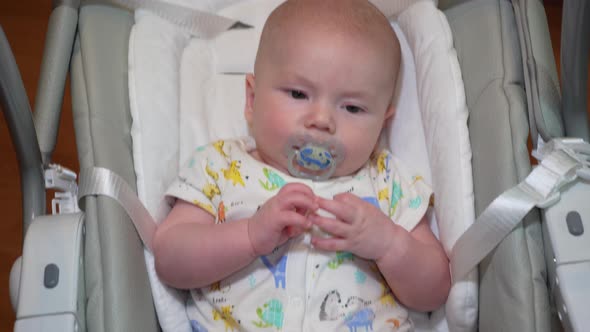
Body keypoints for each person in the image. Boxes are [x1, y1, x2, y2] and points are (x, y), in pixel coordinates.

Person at [153, 0, 450, 330]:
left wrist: (389, 244)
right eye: (298, 94)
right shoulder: (219, 166)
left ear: (382, 123)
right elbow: (169, 258)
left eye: (352, 108)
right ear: (251, 100)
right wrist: (250, 237)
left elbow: (435, 290)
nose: (321, 120)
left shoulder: (386, 180)